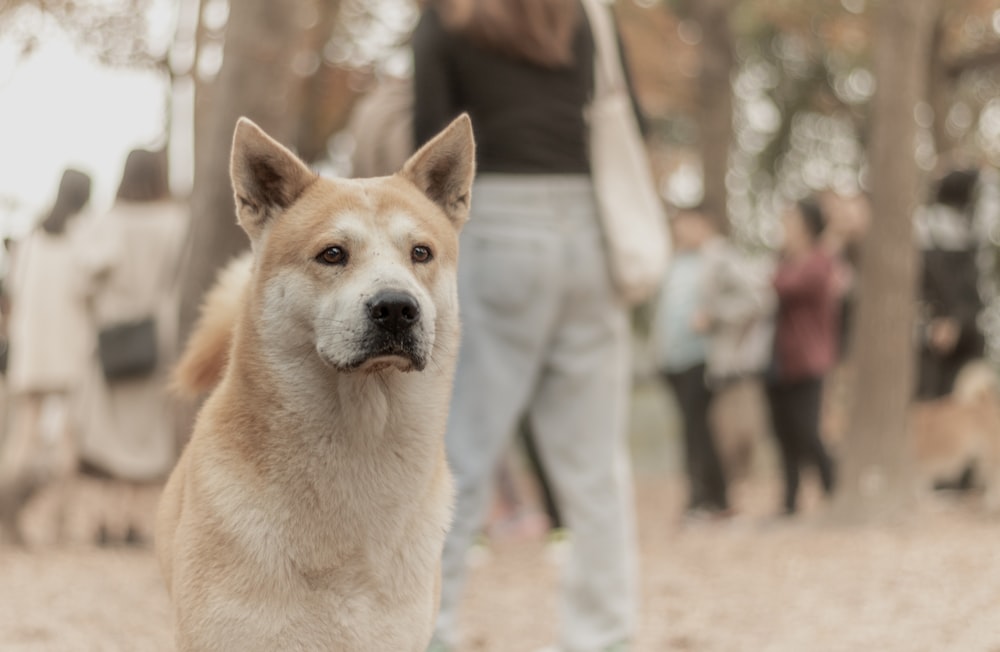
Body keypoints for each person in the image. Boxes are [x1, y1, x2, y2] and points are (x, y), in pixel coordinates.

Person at [412, 1, 641, 649]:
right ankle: (606, 634)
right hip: (589, 228)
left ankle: (430, 628)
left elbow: (431, 141)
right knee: (595, 461)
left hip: (499, 225)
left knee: (459, 450)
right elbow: (632, 120)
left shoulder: (447, 17)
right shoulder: (582, 13)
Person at [76, 148, 188, 544]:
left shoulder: (110, 222)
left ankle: (108, 519)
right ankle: (140, 523)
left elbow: (87, 276)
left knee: (110, 435)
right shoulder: (175, 221)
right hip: (156, 334)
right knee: (149, 433)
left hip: (113, 335)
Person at [0, 168, 95, 543]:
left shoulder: (30, 241)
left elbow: (15, 290)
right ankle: (60, 524)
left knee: (22, 437)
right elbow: (88, 291)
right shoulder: (79, 240)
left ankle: (5, 515)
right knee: (67, 439)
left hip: (31, 351)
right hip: (69, 350)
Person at [651, 209, 730, 517]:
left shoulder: (718, 257)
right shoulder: (673, 263)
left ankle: (706, 498)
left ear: (704, 225)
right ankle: (707, 497)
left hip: (702, 358)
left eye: (686, 224)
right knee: (692, 429)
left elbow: (755, 296)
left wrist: (715, 316)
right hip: (673, 361)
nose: (680, 231)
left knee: (697, 430)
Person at [765, 197, 838, 516]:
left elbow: (786, 287)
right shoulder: (784, 260)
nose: (785, 228)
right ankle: (790, 501)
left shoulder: (818, 262)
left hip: (808, 359)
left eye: (791, 221)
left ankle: (832, 488)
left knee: (807, 432)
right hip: (778, 361)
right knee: (783, 434)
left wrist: (771, 275)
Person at [915, 168, 985, 400]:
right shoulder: (923, 231)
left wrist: (956, 324)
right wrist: (930, 328)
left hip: (963, 344)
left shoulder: (971, 239)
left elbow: (973, 297)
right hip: (926, 347)